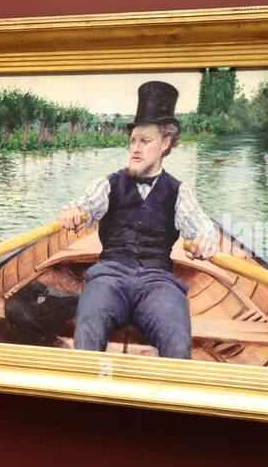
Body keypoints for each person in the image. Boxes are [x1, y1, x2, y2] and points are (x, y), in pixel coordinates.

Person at [57, 81, 219, 359]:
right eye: (133, 140)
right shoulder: (108, 184)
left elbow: (202, 228)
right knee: (89, 327)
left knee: (178, 340)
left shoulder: (180, 191)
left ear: (166, 143)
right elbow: (85, 207)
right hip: (109, 276)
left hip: (159, 283)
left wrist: (205, 241)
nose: (136, 148)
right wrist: (73, 212)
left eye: (145, 141)